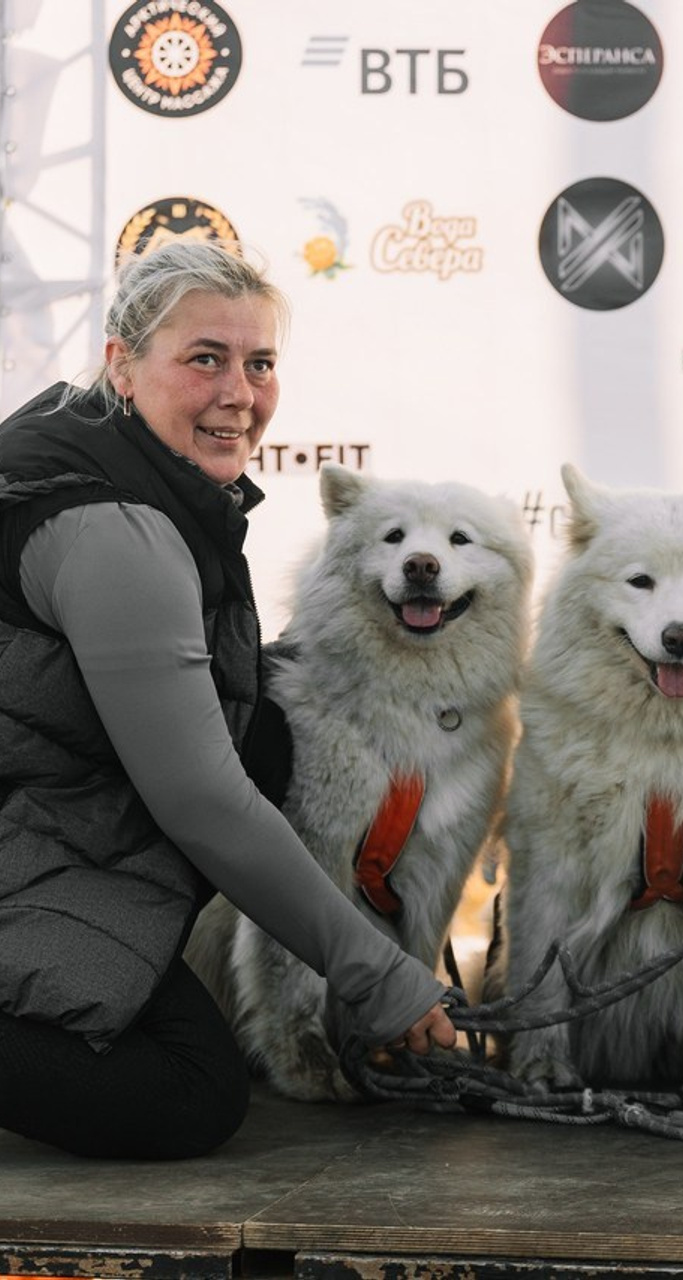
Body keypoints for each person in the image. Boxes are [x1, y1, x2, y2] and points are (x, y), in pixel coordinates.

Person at [0, 240, 455, 1160]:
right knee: (187, 1092)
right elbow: (201, 799)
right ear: (122, 366)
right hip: (24, 834)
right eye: (203, 358)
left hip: (39, 814)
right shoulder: (113, 528)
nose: (238, 393)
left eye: (259, 363)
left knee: (270, 731)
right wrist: (383, 977)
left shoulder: (100, 454)